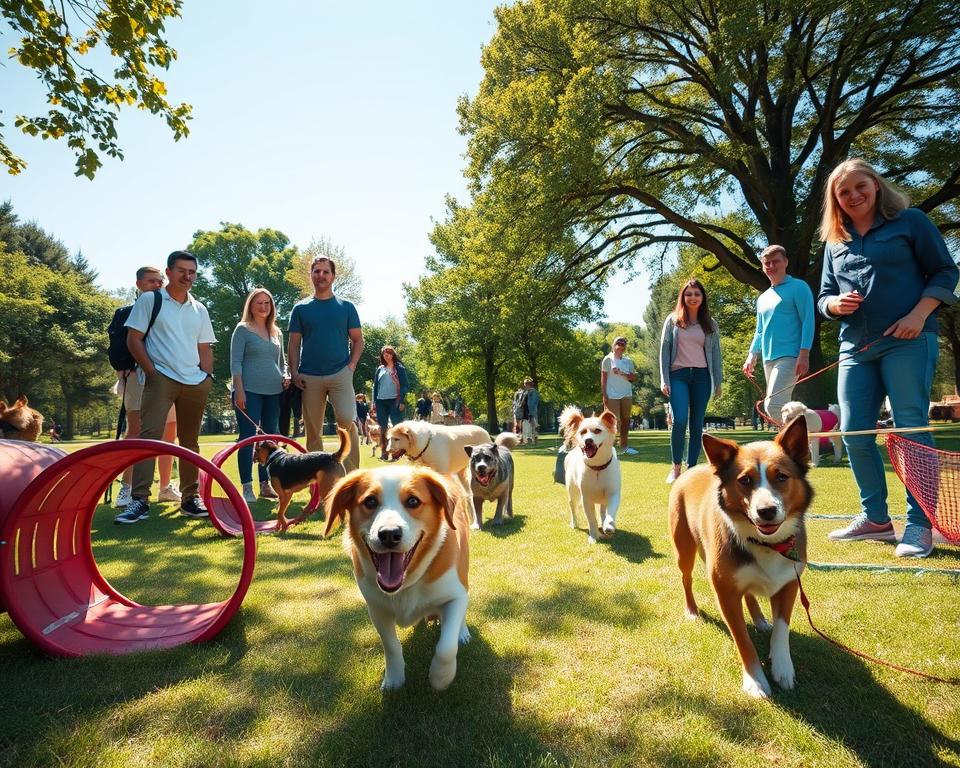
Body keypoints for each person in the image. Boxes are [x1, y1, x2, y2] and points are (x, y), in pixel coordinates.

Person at [818, 158, 958, 559]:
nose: (854, 196)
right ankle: (875, 518)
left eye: (860, 186)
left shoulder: (910, 222)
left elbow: (944, 272)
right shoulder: (835, 242)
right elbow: (823, 296)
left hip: (908, 339)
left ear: (876, 185)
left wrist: (918, 315)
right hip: (855, 347)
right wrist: (834, 305)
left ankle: (919, 524)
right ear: (836, 200)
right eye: (844, 192)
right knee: (853, 432)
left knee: (910, 427)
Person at [117, 251, 216, 524]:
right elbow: (133, 339)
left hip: (195, 382)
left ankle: (190, 499)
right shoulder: (151, 300)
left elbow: (205, 348)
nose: (187, 276)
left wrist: (207, 378)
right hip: (161, 378)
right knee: (149, 438)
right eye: (182, 270)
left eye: (192, 272)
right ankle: (139, 500)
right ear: (169, 272)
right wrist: (152, 372)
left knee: (190, 442)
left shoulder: (200, 308)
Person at [113, 266, 181, 510]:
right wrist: (123, 369)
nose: (157, 285)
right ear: (139, 284)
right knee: (136, 429)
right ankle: (127, 488)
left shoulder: (169, 310)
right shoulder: (126, 312)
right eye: (151, 281)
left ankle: (165, 487)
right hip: (138, 377)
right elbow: (119, 347)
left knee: (169, 431)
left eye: (159, 281)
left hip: (170, 378)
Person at [288, 255, 363, 472]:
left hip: (341, 373)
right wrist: (294, 372)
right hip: (308, 377)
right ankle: (318, 479)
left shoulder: (346, 307)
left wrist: (351, 366)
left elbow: (358, 340)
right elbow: (294, 344)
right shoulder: (300, 308)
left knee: (347, 421)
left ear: (333, 276)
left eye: (325, 272)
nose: (321, 275)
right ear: (311, 274)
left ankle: (352, 477)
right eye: (317, 271)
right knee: (313, 432)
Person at [659, 279, 722, 483]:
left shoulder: (711, 324)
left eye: (697, 294)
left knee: (696, 424)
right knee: (680, 420)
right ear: (683, 297)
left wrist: (718, 381)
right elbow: (664, 351)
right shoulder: (673, 321)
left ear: (702, 298)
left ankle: (692, 469)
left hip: (702, 377)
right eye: (689, 294)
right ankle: (676, 467)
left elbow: (716, 355)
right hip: (678, 376)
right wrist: (664, 379)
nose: (693, 297)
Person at [743, 244, 815, 424]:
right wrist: (752, 355)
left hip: (790, 356)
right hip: (768, 359)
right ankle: (796, 441)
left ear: (786, 262)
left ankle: (806, 434)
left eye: (775, 261)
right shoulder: (763, 298)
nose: (771, 266)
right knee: (783, 408)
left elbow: (808, 321)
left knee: (773, 406)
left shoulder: (799, 287)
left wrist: (804, 354)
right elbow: (760, 330)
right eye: (766, 263)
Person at [231, 287, 287, 503]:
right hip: (249, 391)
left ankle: (265, 484)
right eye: (259, 303)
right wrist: (239, 389)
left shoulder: (277, 332)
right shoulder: (242, 329)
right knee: (248, 438)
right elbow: (236, 362)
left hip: (274, 391)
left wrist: (286, 375)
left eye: (267, 303)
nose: (263, 307)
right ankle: (247, 486)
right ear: (251, 306)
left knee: (269, 438)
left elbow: (281, 363)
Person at [600, 336, 638, 454]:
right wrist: (604, 395)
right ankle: (609, 447)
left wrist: (622, 373)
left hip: (626, 393)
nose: (620, 345)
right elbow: (603, 378)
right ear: (613, 345)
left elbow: (633, 377)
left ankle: (624, 446)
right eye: (618, 343)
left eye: (623, 344)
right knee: (613, 421)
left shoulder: (628, 361)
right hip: (612, 395)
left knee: (626, 420)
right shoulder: (608, 359)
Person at [372, 345, 409, 460]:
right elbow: (375, 386)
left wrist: (402, 401)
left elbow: (405, 385)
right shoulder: (380, 369)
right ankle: (384, 453)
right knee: (382, 427)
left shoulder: (400, 368)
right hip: (380, 401)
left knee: (397, 427)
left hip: (395, 400)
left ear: (393, 355)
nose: (386, 355)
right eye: (384, 353)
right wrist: (374, 402)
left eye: (389, 353)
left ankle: (398, 452)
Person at [525, 379, 540, 445]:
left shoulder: (533, 392)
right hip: (529, 411)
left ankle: (534, 440)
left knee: (533, 426)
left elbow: (533, 402)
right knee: (529, 426)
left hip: (532, 411)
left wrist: (529, 411)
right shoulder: (527, 392)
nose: (525, 386)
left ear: (529, 385)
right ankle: (531, 440)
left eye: (526, 385)